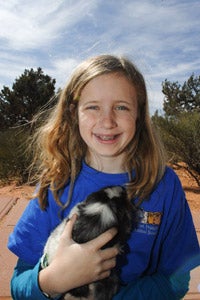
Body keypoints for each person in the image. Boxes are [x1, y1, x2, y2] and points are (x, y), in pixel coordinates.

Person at [8, 54, 199, 299]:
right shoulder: (54, 183)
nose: (107, 121)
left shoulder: (163, 185)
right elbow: (19, 283)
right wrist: (53, 281)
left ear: (139, 113)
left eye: (121, 107)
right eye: (92, 107)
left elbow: (177, 280)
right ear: (73, 112)